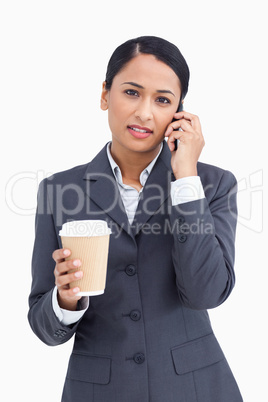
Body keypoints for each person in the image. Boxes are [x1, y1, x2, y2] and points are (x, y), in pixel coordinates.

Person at [28, 36, 243, 401]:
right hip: (99, 390)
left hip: (194, 388)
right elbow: (44, 327)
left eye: (162, 100)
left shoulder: (212, 184)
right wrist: (64, 300)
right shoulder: (59, 190)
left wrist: (186, 176)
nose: (145, 112)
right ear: (104, 95)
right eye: (131, 92)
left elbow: (206, 292)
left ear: (179, 113)